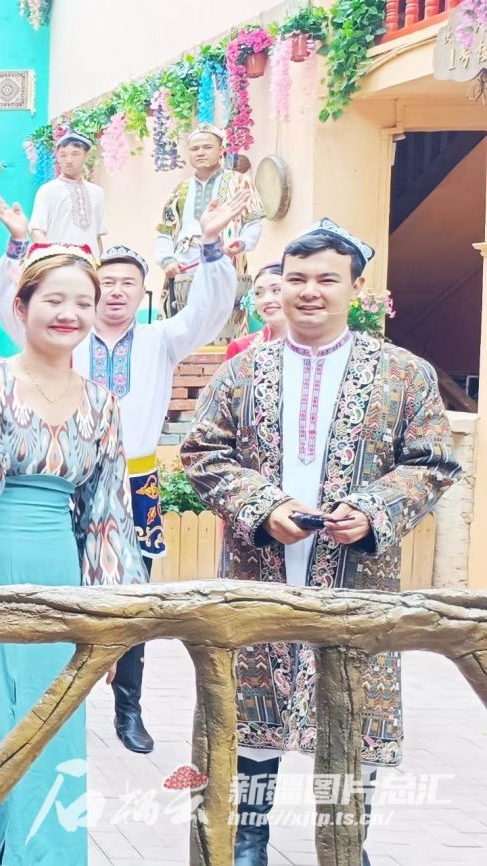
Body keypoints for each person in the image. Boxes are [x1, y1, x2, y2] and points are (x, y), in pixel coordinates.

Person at [180, 221, 461, 866]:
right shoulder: (243, 372)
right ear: (279, 286)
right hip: (258, 577)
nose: (310, 292)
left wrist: (371, 510)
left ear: (356, 288)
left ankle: (346, 850)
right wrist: (263, 507)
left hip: (358, 585)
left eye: (327, 280)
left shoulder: (403, 374)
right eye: (297, 279)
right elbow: (203, 454)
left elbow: (433, 462)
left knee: (352, 722)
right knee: (247, 722)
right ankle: (244, 847)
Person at [0, 188, 252, 755]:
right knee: (57, 586)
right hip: (66, 480)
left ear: (141, 291)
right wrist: (16, 247)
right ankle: (47, 703)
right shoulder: (67, 334)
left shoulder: (162, 340)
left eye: (127, 283)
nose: (115, 292)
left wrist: (211, 248)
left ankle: (128, 706)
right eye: (105, 283)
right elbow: (11, 308)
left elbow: (209, 312)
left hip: (136, 482)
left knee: (132, 594)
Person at [0, 244, 146, 866]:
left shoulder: (103, 403)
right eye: (54, 299)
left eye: (82, 302)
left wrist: (111, 621)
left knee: (49, 720)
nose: (69, 313)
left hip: (56, 572)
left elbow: (107, 519)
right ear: (20, 307)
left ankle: (43, 853)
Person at [155, 124, 264, 317]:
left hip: (225, 262)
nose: (200, 153)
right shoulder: (180, 190)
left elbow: (253, 222)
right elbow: (165, 232)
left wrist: (241, 243)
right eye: (194, 149)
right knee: (183, 324)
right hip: (183, 269)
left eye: (207, 147)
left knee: (223, 323)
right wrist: (167, 260)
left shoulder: (240, 182)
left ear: (221, 150)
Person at [29, 132, 107, 250]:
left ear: (86, 155)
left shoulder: (97, 193)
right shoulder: (47, 191)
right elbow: (37, 230)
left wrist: (99, 259)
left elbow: (97, 236)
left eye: (75, 154)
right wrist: (51, 257)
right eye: (63, 155)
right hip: (60, 259)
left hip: (90, 260)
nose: (69, 160)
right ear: (57, 157)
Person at [226, 263, 287, 359]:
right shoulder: (240, 347)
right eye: (259, 293)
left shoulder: (312, 344)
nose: (266, 300)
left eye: (276, 290)